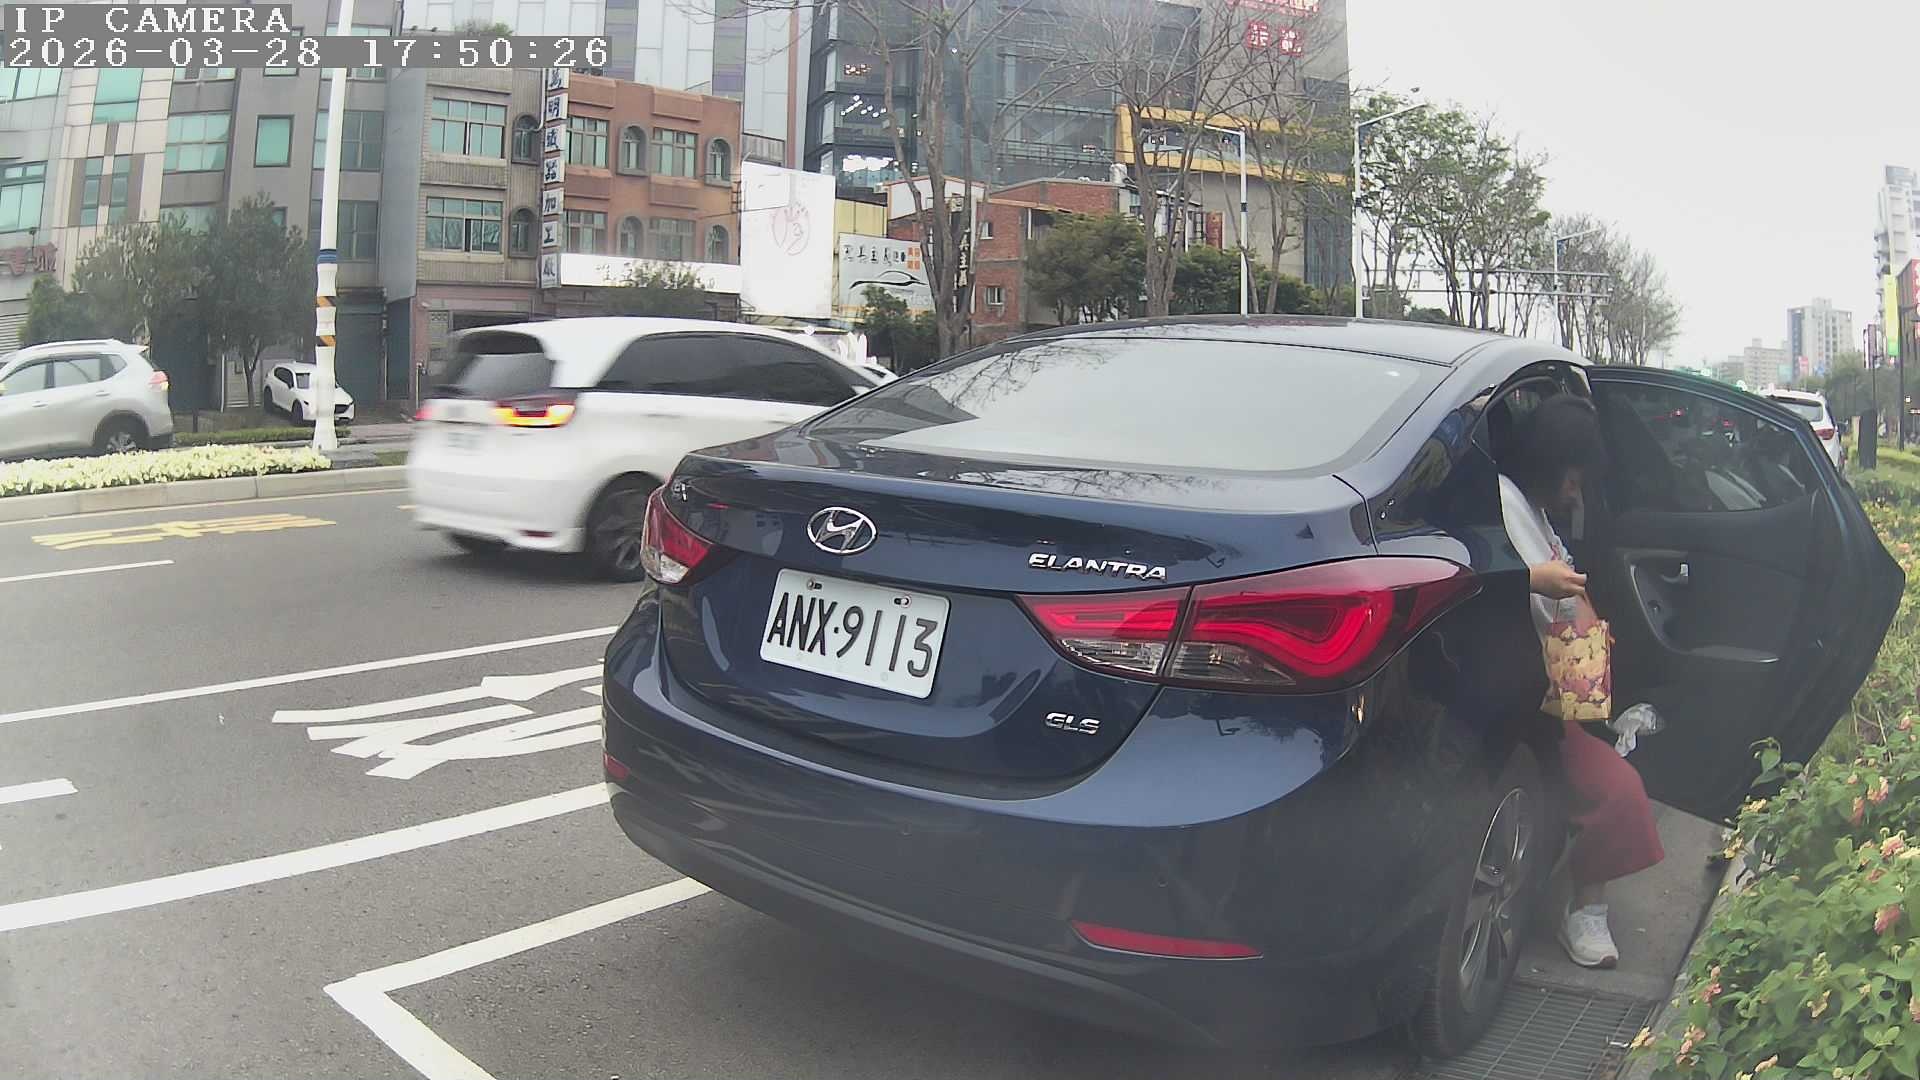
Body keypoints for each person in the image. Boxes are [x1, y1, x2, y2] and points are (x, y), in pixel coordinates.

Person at [1499, 393, 1665, 969]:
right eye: (1573, 477)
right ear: (1551, 462)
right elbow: (1487, 582)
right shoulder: (1503, 506)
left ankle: (1586, 902)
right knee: (1620, 793)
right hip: (1521, 700)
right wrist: (1532, 581)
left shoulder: (1536, 510)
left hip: (1557, 694)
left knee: (1617, 782)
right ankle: (1584, 908)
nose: (1577, 493)